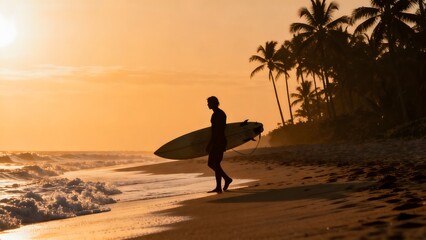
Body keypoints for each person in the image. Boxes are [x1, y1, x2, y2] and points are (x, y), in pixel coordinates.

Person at [206, 96, 232, 193]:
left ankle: (219, 186)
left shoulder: (218, 114)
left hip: (218, 141)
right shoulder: (218, 114)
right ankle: (226, 179)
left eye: (209, 103)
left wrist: (210, 143)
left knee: (215, 163)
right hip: (219, 141)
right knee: (212, 163)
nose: (207, 105)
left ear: (213, 103)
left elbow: (217, 131)